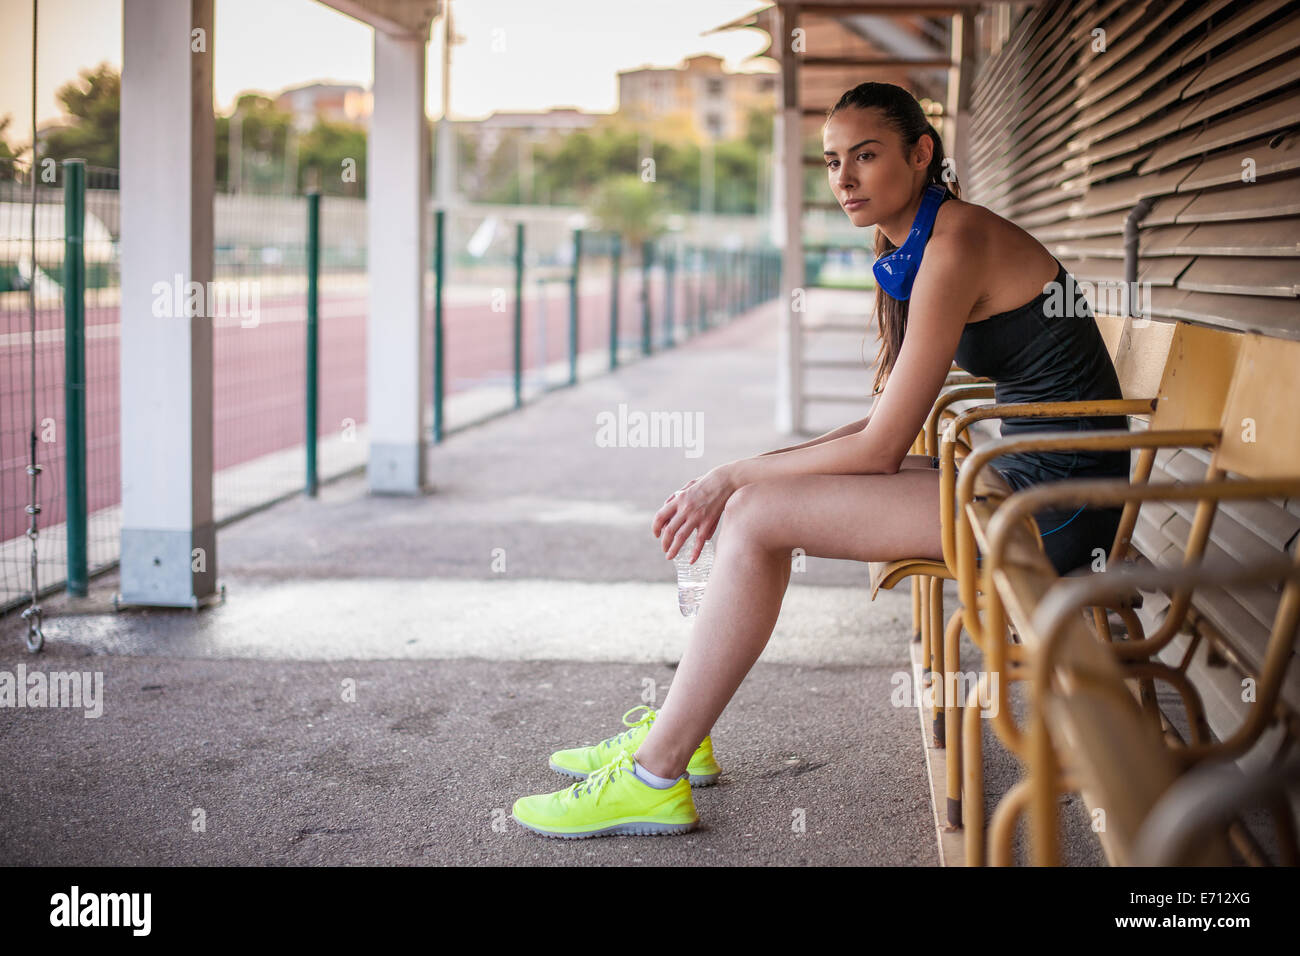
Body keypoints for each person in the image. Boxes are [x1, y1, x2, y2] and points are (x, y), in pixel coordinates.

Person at [510, 80, 1129, 839]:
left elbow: (877, 450)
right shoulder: (915, 242)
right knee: (750, 507)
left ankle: (655, 773)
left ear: (920, 153)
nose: (844, 178)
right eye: (832, 161)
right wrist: (736, 474)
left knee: (758, 511)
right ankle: (679, 735)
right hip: (1014, 478)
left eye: (865, 156)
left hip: (1056, 508)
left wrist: (732, 474)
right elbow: (882, 421)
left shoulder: (956, 241)